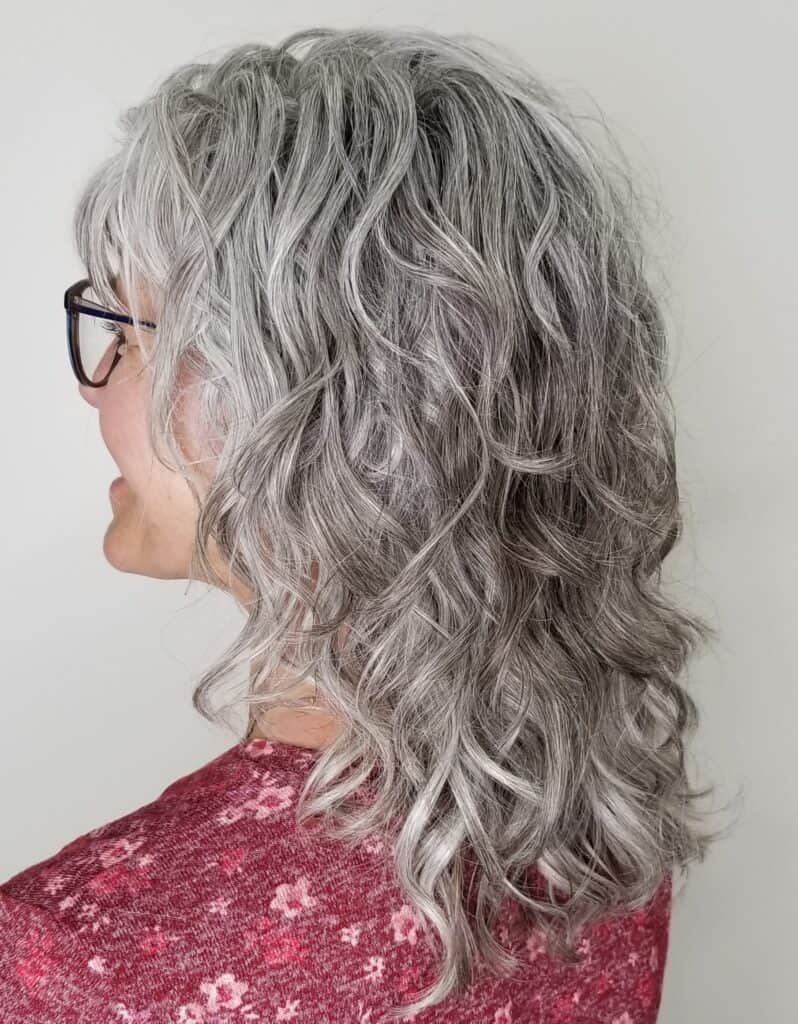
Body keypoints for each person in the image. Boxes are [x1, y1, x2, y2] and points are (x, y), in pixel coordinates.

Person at [0, 25, 728, 1024]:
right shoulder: (592, 793)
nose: (96, 393)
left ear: (308, 406)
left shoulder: (77, 958)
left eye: (129, 332)